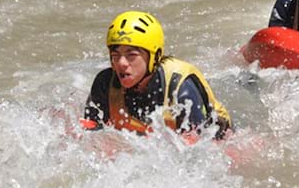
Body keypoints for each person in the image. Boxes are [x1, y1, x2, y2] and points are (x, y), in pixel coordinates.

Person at [82, 10, 231, 139]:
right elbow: (89, 136)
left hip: (220, 140)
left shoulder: (180, 89)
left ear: (154, 57)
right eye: (115, 55)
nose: (121, 63)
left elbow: (199, 150)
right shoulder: (104, 84)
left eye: (131, 55)